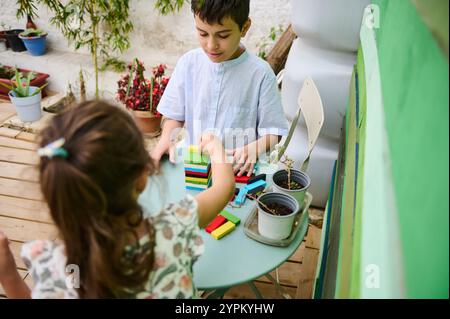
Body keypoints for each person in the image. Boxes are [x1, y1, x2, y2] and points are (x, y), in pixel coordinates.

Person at [0, 101, 234, 299]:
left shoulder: (52, 269)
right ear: (142, 177)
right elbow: (224, 187)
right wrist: (215, 147)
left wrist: (9, 275)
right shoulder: (175, 227)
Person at [151, 0, 288, 177]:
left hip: (237, 170)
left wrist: (255, 148)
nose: (211, 45)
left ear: (245, 27)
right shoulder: (188, 64)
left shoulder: (260, 74)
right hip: (194, 165)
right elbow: (173, 115)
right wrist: (166, 139)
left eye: (222, 36)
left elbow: (274, 131)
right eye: (202, 33)